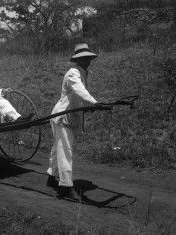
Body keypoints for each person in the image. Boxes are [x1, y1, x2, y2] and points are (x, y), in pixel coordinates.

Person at [46, 43, 108, 200]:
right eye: (84, 58)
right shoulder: (73, 73)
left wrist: (88, 106)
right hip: (62, 116)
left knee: (58, 148)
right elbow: (80, 91)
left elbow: (78, 96)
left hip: (69, 115)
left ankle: (51, 176)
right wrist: (94, 102)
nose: (87, 61)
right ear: (77, 60)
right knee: (65, 151)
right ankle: (66, 186)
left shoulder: (83, 73)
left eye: (88, 58)